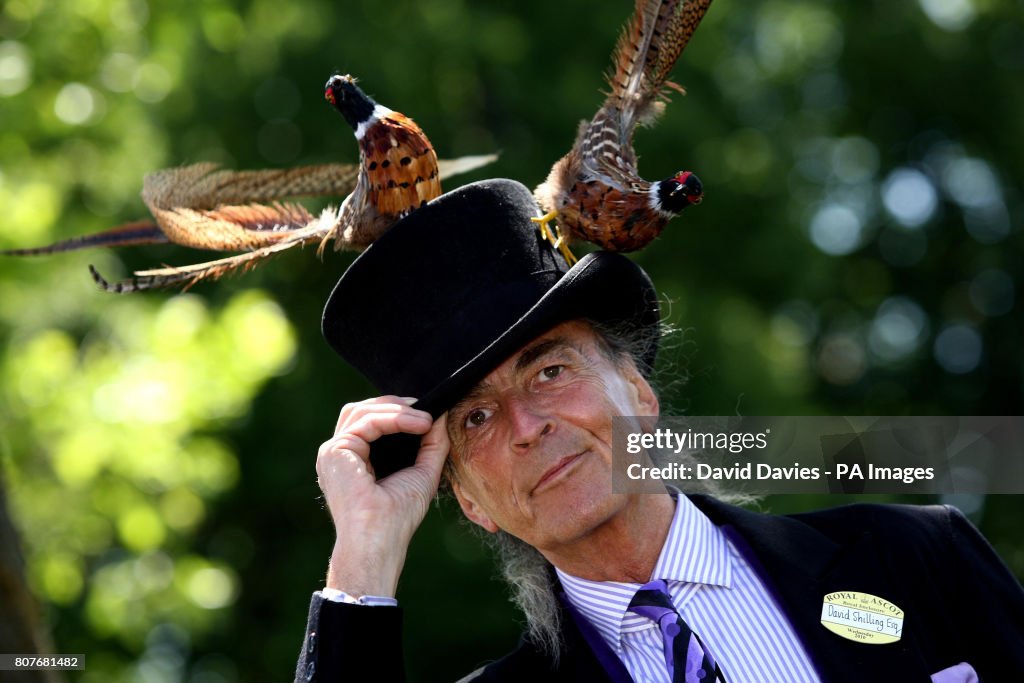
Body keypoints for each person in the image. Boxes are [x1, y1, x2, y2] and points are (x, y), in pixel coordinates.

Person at [294, 179, 1024, 682]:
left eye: (550, 371)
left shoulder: (916, 559)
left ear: (638, 391)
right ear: (471, 501)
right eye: (476, 417)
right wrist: (362, 560)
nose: (527, 425)